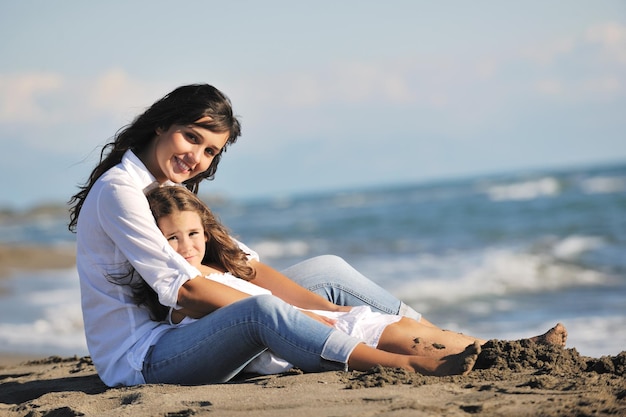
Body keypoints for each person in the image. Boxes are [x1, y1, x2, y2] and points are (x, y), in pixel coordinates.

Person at [68, 83, 566, 387]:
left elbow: (244, 267)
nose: (197, 157)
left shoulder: (166, 188)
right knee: (265, 310)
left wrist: (333, 311)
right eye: (191, 137)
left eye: (211, 151)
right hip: (147, 357)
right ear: (160, 126)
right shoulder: (121, 191)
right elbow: (187, 291)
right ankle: (405, 365)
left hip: (186, 330)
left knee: (327, 274)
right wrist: (304, 316)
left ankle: (473, 346)